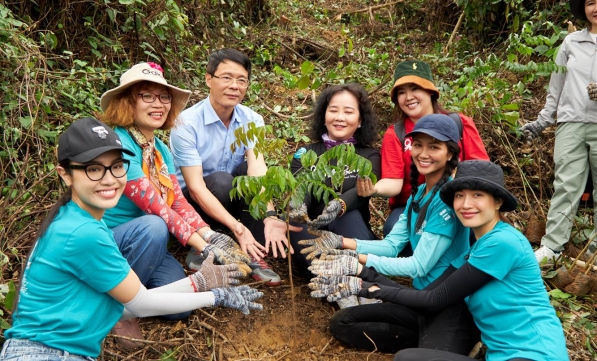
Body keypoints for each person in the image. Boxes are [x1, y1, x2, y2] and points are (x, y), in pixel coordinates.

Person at [0, 117, 262, 361]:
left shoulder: (79, 220)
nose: (109, 179)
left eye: (116, 166)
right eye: (93, 169)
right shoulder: (83, 233)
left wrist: (200, 282)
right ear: (65, 174)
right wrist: (215, 296)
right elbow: (141, 303)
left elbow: (120, 305)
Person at [309, 160, 569, 361]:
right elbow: (432, 293)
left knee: (408, 358)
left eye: (478, 195)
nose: (466, 204)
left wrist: (364, 286)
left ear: (498, 201)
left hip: (534, 354)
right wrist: (362, 272)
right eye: (460, 195)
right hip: (497, 353)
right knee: (348, 323)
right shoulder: (476, 248)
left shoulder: (503, 242)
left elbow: (435, 298)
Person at [99, 62, 252, 348]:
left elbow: (177, 201)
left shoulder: (159, 149)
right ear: (128, 101)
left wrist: (211, 234)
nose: (158, 105)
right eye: (147, 96)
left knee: (180, 307)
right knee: (155, 225)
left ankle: (137, 296)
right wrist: (204, 247)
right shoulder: (118, 144)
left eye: (164, 97)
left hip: (147, 244)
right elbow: (157, 207)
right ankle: (119, 308)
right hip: (113, 241)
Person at [300, 114, 478, 353]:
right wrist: (341, 242)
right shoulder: (420, 192)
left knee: (416, 358)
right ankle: (427, 341)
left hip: (449, 303)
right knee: (343, 322)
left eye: (434, 147)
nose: (423, 154)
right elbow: (392, 245)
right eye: (418, 145)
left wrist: (355, 261)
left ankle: (446, 344)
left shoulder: (448, 199)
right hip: (419, 298)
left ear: (450, 153)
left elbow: (419, 266)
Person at [170, 48, 299, 287]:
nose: (234, 86)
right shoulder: (186, 123)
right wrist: (236, 226)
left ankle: (254, 255)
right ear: (209, 79)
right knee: (221, 181)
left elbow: (257, 171)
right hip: (192, 204)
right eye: (226, 78)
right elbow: (196, 187)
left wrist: (270, 215)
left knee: (244, 175)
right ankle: (204, 244)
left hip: (229, 196)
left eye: (241, 80)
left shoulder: (252, 120)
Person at [357, 60, 488, 238]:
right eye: (401, 92)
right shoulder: (396, 133)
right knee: (393, 228)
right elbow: (394, 181)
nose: (408, 97)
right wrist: (373, 189)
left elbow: (481, 169)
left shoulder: (460, 123)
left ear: (431, 92)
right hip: (413, 205)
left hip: (459, 200)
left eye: (415, 89)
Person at [521, 0, 597, 263]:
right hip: (570, 122)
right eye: (591, 2)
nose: (595, 8)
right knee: (565, 185)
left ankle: (594, 250)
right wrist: (542, 121)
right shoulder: (571, 42)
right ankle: (552, 248)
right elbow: (557, 86)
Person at [287, 83, 381, 275]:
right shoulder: (306, 153)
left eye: (348, 112)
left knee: (347, 214)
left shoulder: (370, 155)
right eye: (333, 110)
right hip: (312, 230)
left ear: (360, 120)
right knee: (295, 224)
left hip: (350, 231)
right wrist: (299, 209)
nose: (339, 117)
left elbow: (362, 192)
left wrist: (339, 205)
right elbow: (300, 188)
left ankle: (354, 275)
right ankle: (334, 277)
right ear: (324, 116)